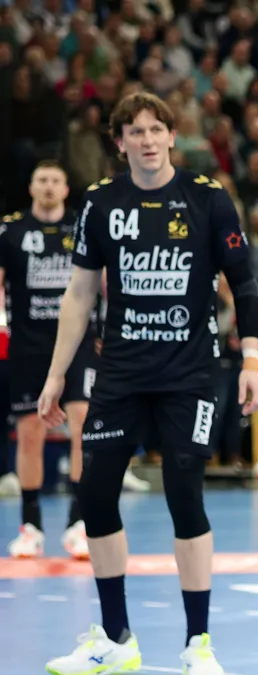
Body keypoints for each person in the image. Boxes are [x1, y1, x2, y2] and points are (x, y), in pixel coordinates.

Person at [37, 92, 258, 675]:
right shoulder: (101, 202)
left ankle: (199, 644)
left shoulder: (208, 199)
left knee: (184, 494)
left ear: (171, 136)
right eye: (135, 131)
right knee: (94, 495)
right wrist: (57, 374)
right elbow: (80, 293)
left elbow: (244, 284)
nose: (146, 140)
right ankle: (116, 639)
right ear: (119, 142)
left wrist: (252, 361)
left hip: (189, 376)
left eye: (155, 129)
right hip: (120, 373)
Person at [2, 160, 98, 560]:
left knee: (83, 426)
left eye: (55, 180)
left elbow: (103, 282)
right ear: (31, 187)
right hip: (29, 345)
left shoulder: (83, 227)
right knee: (30, 432)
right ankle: (31, 527)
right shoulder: (10, 231)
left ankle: (78, 523)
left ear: (65, 188)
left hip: (78, 343)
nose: (48, 187)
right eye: (41, 180)